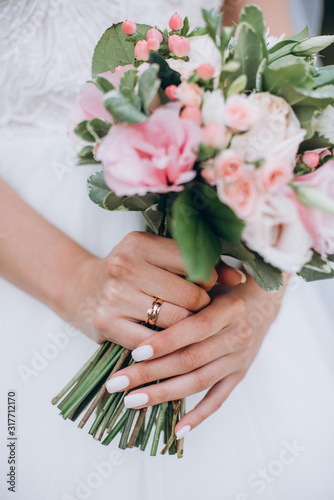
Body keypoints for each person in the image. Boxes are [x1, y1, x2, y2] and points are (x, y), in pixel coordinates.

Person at [0, 1, 333, 500]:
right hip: (25, 238)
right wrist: (76, 285)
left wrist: (264, 292)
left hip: (218, 224)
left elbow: (264, 50)